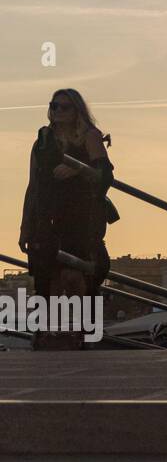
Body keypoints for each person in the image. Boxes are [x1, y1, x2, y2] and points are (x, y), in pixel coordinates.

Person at [18, 89, 114, 349]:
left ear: (77, 110)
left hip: (80, 216)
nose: (59, 111)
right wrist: (25, 227)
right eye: (55, 106)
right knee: (48, 277)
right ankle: (47, 335)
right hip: (47, 217)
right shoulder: (43, 139)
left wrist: (76, 168)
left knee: (77, 275)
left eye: (65, 107)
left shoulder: (90, 137)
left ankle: (82, 334)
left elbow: (104, 174)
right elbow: (32, 185)